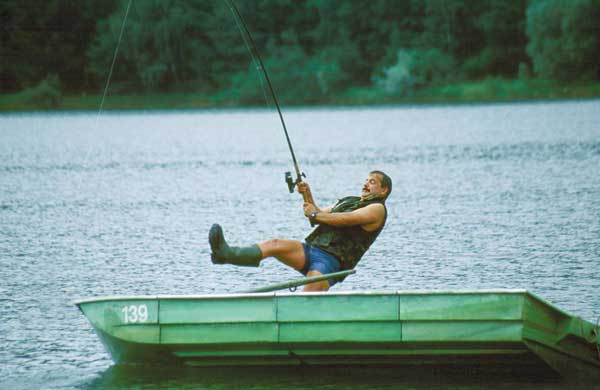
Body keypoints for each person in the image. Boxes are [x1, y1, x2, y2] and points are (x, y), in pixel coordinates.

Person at [209, 170, 392, 291]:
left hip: (331, 263)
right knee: (275, 244)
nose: (366, 184)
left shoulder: (377, 209)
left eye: (373, 182)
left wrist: (315, 215)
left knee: (307, 295)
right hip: (311, 249)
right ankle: (226, 254)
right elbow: (318, 214)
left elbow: (343, 220)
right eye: (366, 180)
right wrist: (307, 194)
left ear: (384, 191)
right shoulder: (347, 200)